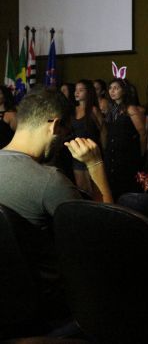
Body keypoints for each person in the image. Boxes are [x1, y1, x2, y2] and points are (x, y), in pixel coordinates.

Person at [0, 88, 112, 321]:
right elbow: (103, 234)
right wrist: (96, 164)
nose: (63, 142)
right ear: (54, 126)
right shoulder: (50, 181)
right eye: (66, 132)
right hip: (45, 306)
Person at [104, 78, 147, 200]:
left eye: (116, 88)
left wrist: (141, 154)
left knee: (126, 185)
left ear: (123, 91)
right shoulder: (111, 108)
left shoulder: (130, 108)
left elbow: (142, 133)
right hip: (112, 152)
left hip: (127, 153)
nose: (112, 91)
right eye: (110, 88)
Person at [71, 79, 105, 197]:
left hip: (92, 152)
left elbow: (103, 132)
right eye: (76, 90)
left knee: (95, 188)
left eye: (81, 90)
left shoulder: (93, 110)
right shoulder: (73, 110)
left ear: (88, 92)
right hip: (77, 152)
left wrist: (103, 151)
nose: (77, 92)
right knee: (81, 188)